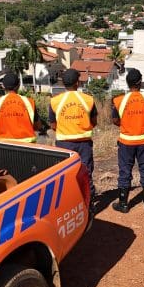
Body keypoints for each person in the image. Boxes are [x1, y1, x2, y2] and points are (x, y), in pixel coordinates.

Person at [110, 69, 144, 212]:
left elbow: (114, 120)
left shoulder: (119, 100)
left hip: (126, 142)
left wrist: (126, 124)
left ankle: (123, 203)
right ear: (140, 82)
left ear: (127, 83)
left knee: (125, 171)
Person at [49, 68, 98, 197]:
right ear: (77, 83)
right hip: (84, 144)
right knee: (86, 173)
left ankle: (69, 200)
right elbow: (94, 121)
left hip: (64, 145)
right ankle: (89, 202)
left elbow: (53, 125)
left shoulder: (55, 101)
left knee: (66, 174)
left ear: (63, 84)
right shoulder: (88, 99)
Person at [0, 72, 40, 142]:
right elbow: (38, 126)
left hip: (3, 146)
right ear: (18, 85)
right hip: (27, 147)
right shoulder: (29, 102)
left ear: (3, 86)